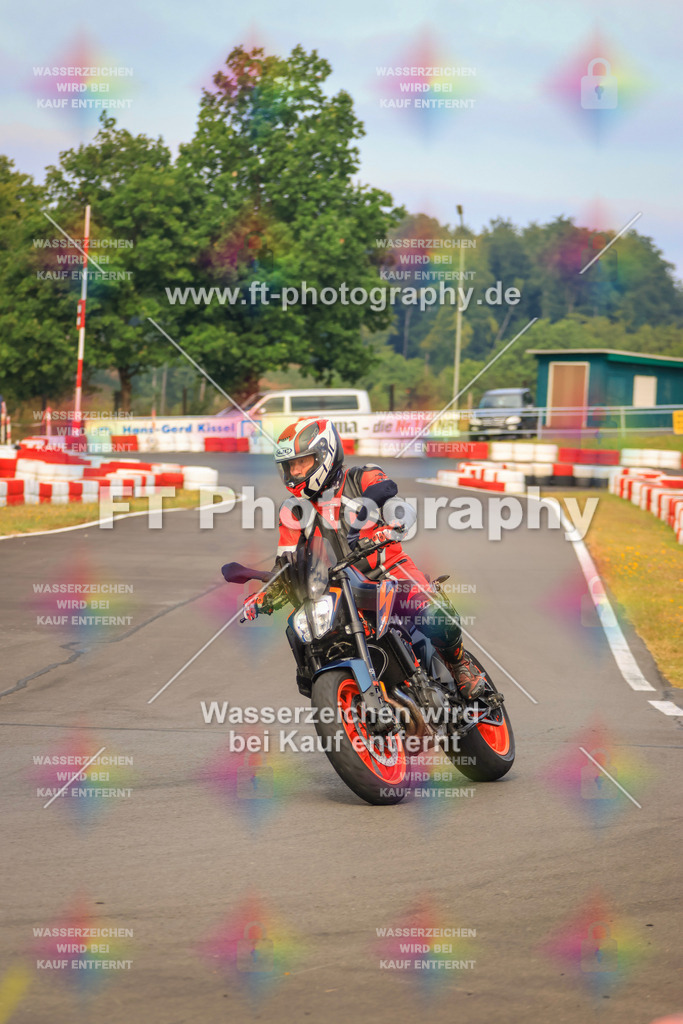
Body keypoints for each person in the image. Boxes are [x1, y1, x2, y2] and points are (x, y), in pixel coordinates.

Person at [245, 418, 486, 700]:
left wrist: (389, 525)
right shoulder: (292, 511)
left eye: (303, 462)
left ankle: (460, 665)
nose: (295, 471)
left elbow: (389, 497)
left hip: (387, 569)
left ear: (325, 454)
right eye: (290, 466)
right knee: (302, 632)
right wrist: (266, 592)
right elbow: (286, 560)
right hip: (339, 587)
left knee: (429, 612)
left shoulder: (362, 477)